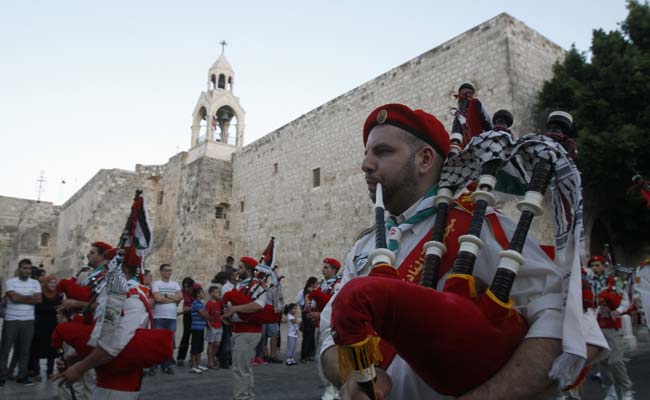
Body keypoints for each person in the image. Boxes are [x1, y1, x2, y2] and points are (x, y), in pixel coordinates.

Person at [319, 103, 608, 400]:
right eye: (366, 153)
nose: (366, 164)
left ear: (425, 159)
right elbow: (330, 334)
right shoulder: (363, 248)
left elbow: (566, 323)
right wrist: (355, 374)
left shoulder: (478, 226)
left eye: (382, 152)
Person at [588, 257, 636, 400]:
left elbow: (625, 301)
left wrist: (618, 311)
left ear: (604, 267)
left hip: (612, 326)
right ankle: (610, 392)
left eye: (597, 265)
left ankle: (627, 391)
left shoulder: (614, 282)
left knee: (615, 361)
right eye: (592, 266)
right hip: (595, 325)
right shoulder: (588, 283)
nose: (594, 268)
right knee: (602, 362)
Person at [223, 256, 270, 400]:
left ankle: (242, 397)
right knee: (243, 368)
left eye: (241, 267)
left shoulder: (256, 285)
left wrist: (236, 308)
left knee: (240, 369)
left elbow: (258, 305)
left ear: (249, 270)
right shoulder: (241, 285)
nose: (238, 270)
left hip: (248, 331)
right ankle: (247, 396)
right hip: (238, 329)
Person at [0, 259, 42, 386]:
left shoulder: (35, 283)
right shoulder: (10, 282)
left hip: (28, 319)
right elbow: (13, 298)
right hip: (11, 319)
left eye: (29, 268)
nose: (27, 271)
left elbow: (39, 299)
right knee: (5, 349)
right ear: (19, 269)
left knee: (25, 349)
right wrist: (30, 298)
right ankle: (1, 376)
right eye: (24, 268)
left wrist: (20, 297)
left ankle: (22, 375)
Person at [29, 275, 62, 381]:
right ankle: (36, 371)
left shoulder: (57, 296)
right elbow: (37, 308)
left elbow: (60, 308)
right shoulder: (40, 295)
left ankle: (50, 371)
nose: (52, 285)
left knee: (51, 349)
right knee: (37, 348)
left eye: (54, 283)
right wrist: (52, 309)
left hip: (52, 325)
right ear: (46, 284)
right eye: (50, 283)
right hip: (40, 325)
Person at [151, 263, 182, 375]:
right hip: (159, 317)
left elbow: (180, 296)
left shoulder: (175, 284)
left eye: (170, 270)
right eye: (167, 270)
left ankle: (166, 365)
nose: (169, 272)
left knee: (169, 343)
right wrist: (173, 298)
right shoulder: (156, 284)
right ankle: (154, 365)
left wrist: (166, 296)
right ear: (161, 272)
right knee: (157, 342)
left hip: (171, 317)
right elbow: (157, 299)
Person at [218, 266, 238, 369]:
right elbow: (225, 302)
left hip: (236, 314)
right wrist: (228, 314)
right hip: (229, 314)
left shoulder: (237, 286)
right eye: (235, 275)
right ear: (231, 276)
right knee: (226, 338)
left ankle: (231, 358)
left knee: (233, 339)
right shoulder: (226, 287)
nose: (237, 276)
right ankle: (224, 360)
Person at [297, 276, 318, 362]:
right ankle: (304, 356)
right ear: (312, 284)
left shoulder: (311, 292)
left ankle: (308, 354)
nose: (317, 285)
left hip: (310, 315)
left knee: (311, 335)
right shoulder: (306, 292)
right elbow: (304, 304)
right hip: (307, 315)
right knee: (307, 335)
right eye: (316, 283)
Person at [189, 284, 209, 373]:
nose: (204, 294)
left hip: (201, 328)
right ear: (198, 294)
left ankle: (198, 364)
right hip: (196, 328)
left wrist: (205, 314)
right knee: (195, 346)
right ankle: (194, 365)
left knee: (200, 347)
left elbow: (206, 315)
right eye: (202, 292)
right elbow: (205, 315)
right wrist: (205, 314)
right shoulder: (196, 304)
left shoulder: (201, 303)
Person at [176, 276, 195, 367]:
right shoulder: (183, 291)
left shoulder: (196, 290)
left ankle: (193, 357)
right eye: (185, 286)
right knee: (186, 335)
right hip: (187, 315)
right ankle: (180, 358)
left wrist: (190, 308)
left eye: (188, 286)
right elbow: (178, 300)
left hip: (196, 315)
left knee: (195, 336)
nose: (186, 289)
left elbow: (200, 303)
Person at [206, 284, 223, 369]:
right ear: (211, 293)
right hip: (212, 326)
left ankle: (213, 357)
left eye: (218, 292)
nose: (218, 294)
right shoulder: (208, 304)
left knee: (217, 344)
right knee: (211, 343)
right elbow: (206, 315)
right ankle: (210, 361)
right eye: (216, 292)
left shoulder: (219, 303)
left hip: (219, 325)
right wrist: (208, 324)